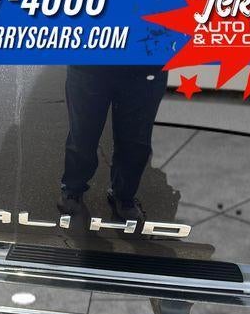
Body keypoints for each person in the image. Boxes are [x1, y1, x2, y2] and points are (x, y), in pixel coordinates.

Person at [58, 65, 168, 221]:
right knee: (82, 135)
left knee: (135, 143)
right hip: (88, 65)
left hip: (145, 69)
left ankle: (123, 195)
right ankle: (72, 188)